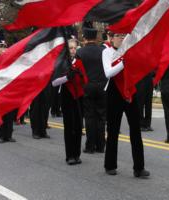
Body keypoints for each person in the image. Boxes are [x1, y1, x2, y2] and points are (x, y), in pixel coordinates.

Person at [102, 32, 150, 178]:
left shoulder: (130, 50)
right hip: (114, 92)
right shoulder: (107, 51)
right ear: (111, 38)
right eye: (119, 36)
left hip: (130, 90)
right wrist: (123, 62)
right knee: (113, 130)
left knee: (136, 130)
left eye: (124, 36)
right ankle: (110, 165)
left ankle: (139, 168)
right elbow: (108, 73)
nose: (122, 38)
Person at [52, 39, 88, 165]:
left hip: (79, 97)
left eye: (74, 47)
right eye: (70, 48)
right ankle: (70, 156)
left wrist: (82, 76)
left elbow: (85, 80)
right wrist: (67, 77)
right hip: (67, 96)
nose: (73, 50)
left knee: (78, 126)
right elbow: (54, 82)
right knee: (69, 127)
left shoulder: (79, 62)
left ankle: (77, 154)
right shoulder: (61, 62)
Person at [77, 24, 107, 153]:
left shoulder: (80, 52)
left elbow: (77, 71)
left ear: (85, 38)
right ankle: (101, 145)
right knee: (101, 116)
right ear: (95, 37)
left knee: (89, 117)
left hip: (87, 86)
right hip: (102, 86)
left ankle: (90, 146)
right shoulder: (103, 51)